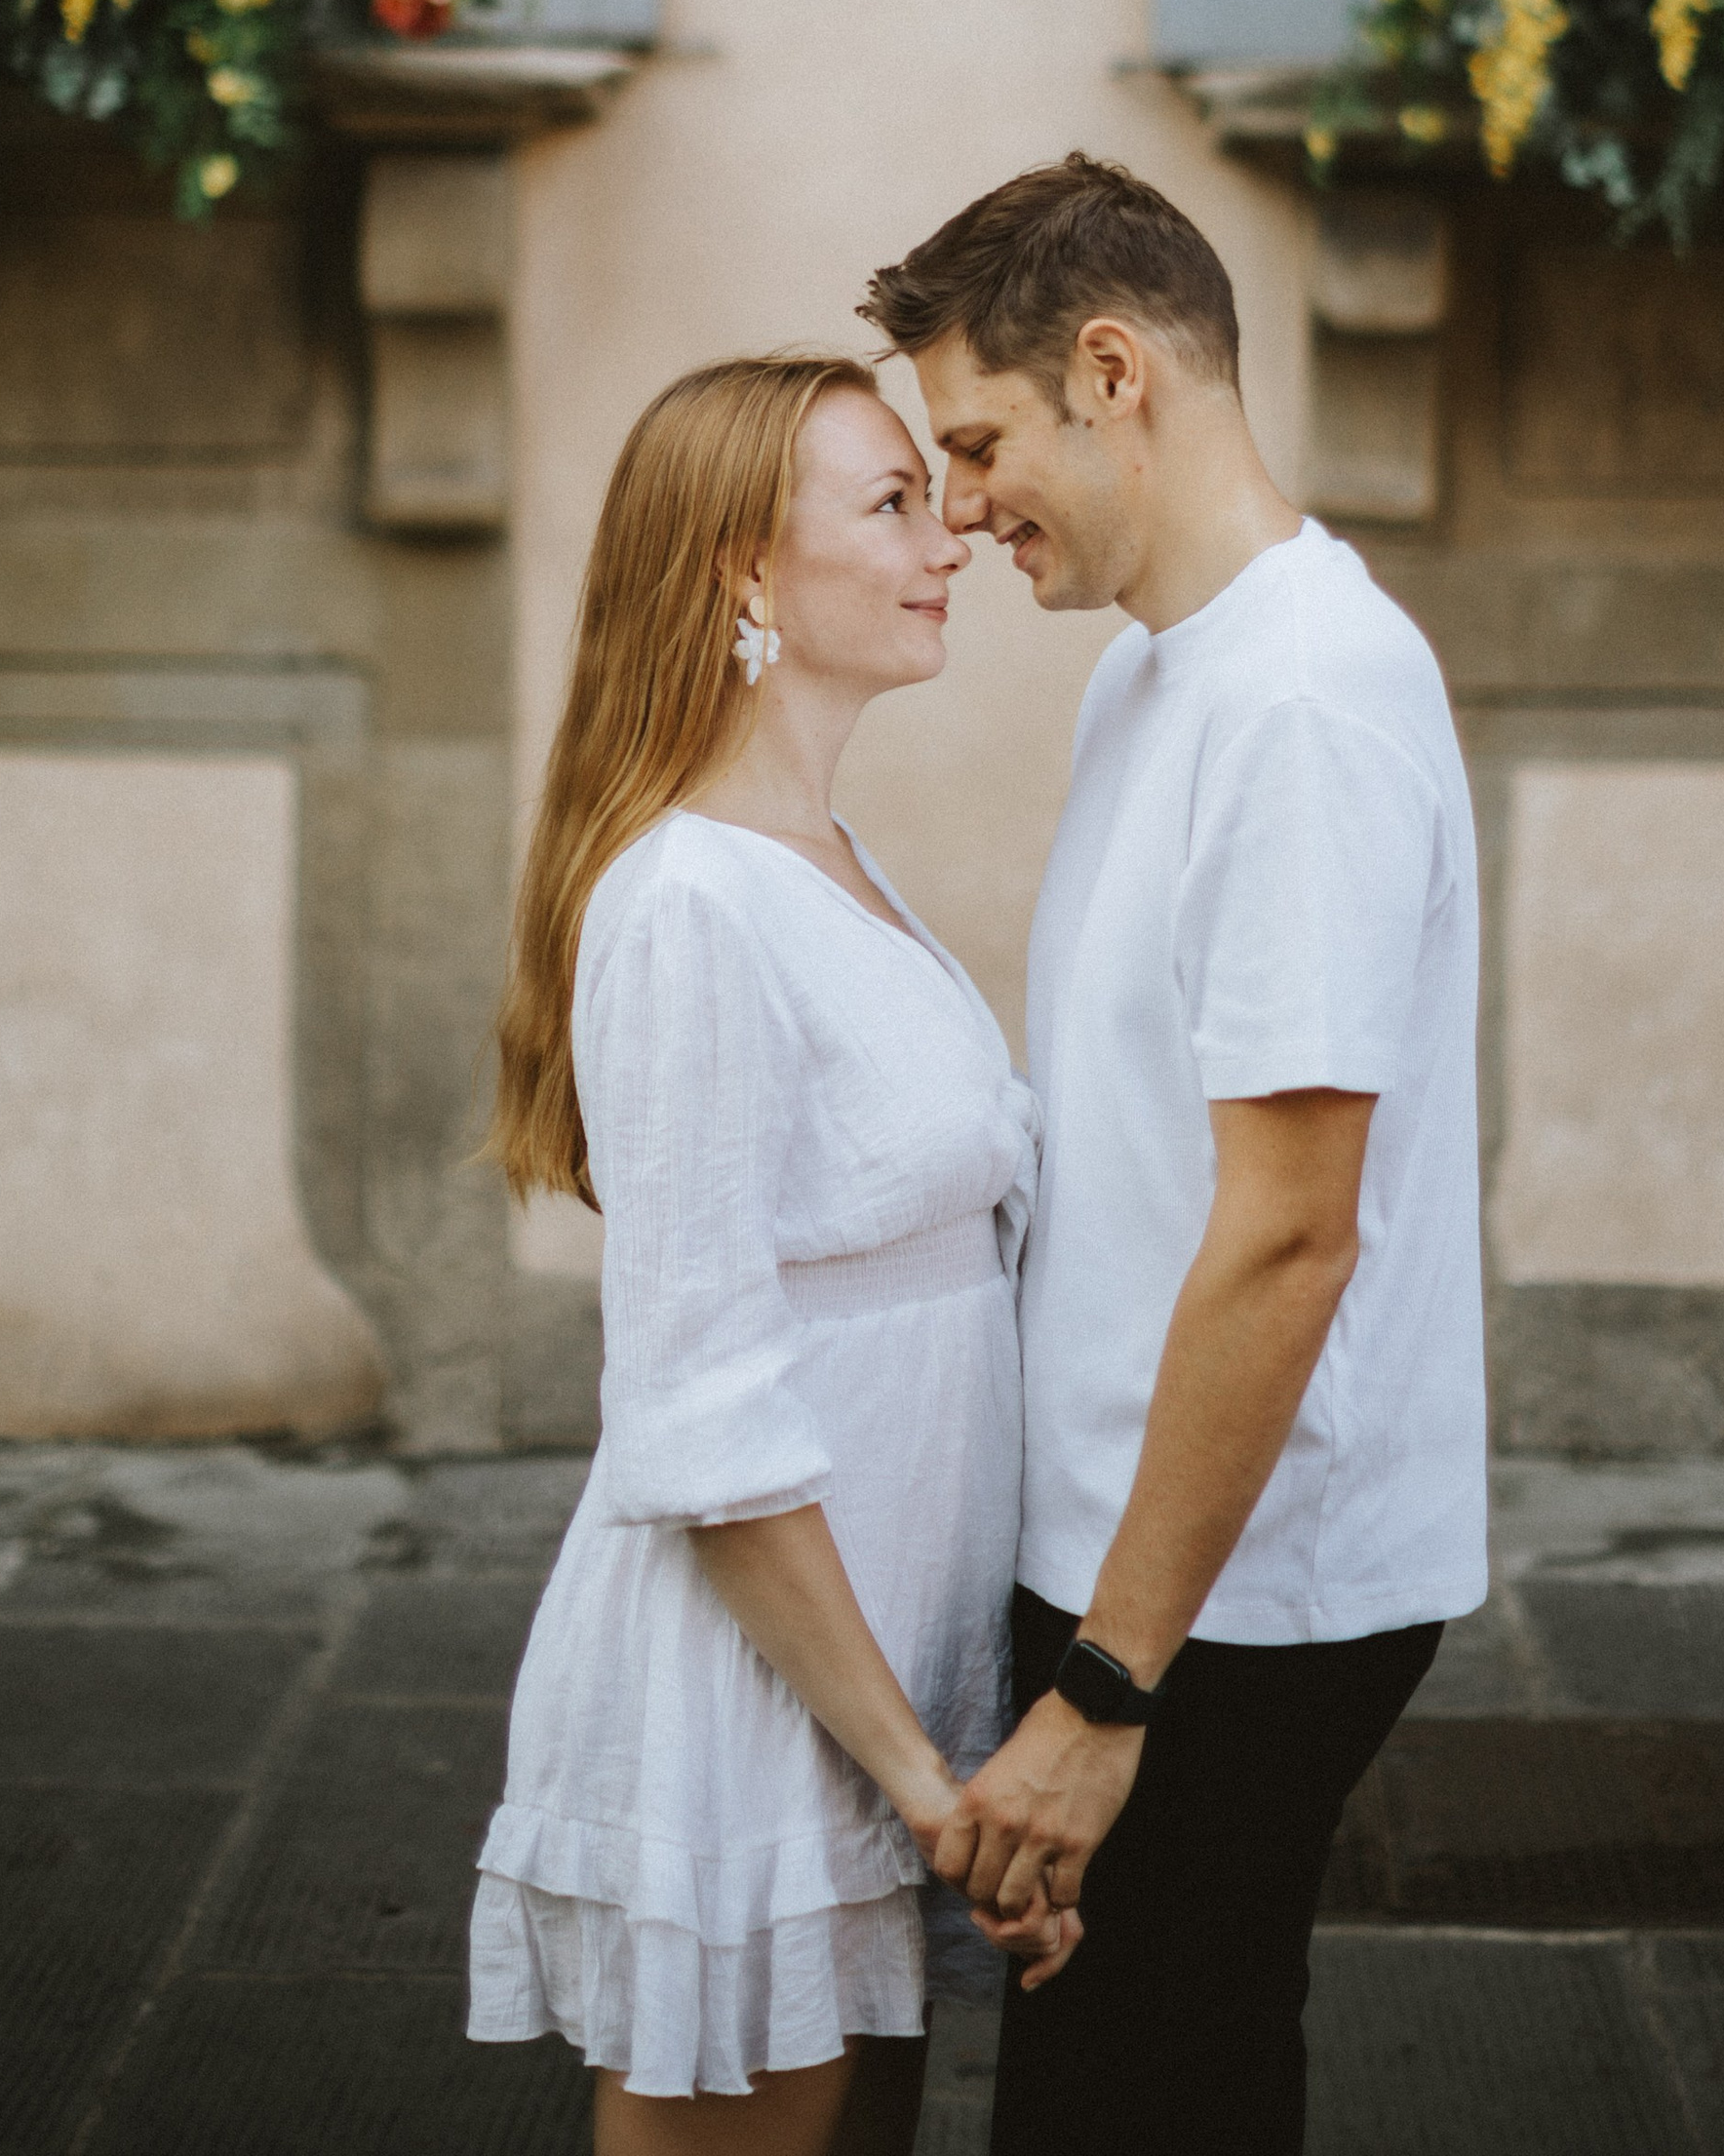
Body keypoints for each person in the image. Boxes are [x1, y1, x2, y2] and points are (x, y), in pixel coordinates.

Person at [859, 156, 1487, 2156]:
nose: (955, 506)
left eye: (974, 440)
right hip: (1138, 1561)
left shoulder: (1301, 702)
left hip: (1226, 1601)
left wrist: (1106, 1694)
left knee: (1154, 2100)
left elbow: (1289, 1237)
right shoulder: (1157, 668)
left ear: (1109, 371)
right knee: (1103, 2085)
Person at [467, 351, 1078, 2156]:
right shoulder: (686, 905)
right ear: (745, 570)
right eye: (890, 503)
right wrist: (918, 1781)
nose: (949, 532)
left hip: (892, 1673)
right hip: (773, 1709)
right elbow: (701, 1409)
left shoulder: (825, 852)